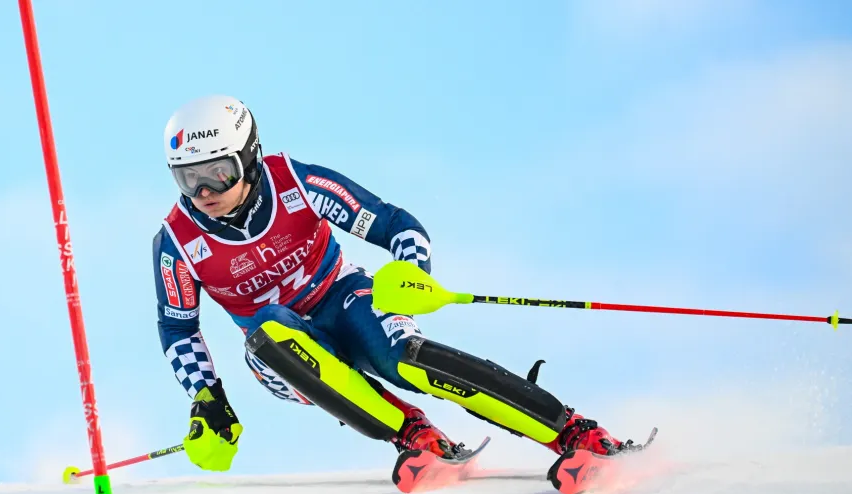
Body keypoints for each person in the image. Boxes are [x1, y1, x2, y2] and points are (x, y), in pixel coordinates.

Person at [153, 94, 638, 473]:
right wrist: (206, 396)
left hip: (344, 298)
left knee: (404, 358)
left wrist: (411, 272)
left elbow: (396, 225)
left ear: (250, 159)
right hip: (284, 353)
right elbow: (179, 329)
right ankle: (414, 435)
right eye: (187, 179)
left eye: (220, 173)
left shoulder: (296, 184)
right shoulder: (176, 242)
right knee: (269, 332)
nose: (204, 193)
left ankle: (573, 433)